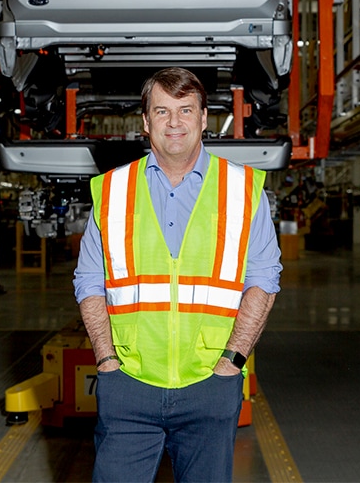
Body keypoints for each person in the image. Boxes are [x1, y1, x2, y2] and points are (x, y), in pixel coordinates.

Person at [73, 67, 282, 482]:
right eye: (162, 111)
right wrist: (107, 359)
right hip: (129, 383)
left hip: (210, 382)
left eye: (186, 110)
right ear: (146, 122)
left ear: (204, 118)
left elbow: (264, 280)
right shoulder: (112, 189)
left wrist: (232, 363)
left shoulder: (241, 189)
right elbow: (89, 280)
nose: (175, 122)